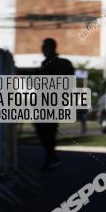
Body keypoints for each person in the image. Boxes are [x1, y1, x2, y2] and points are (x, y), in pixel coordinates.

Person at [34, 38, 74, 172]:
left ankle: (51, 157)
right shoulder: (61, 63)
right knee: (47, 131)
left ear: (50, 48)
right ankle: (51, 158)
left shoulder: (49, 63)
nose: (42, 49)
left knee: (45, 131)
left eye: (44, 46)